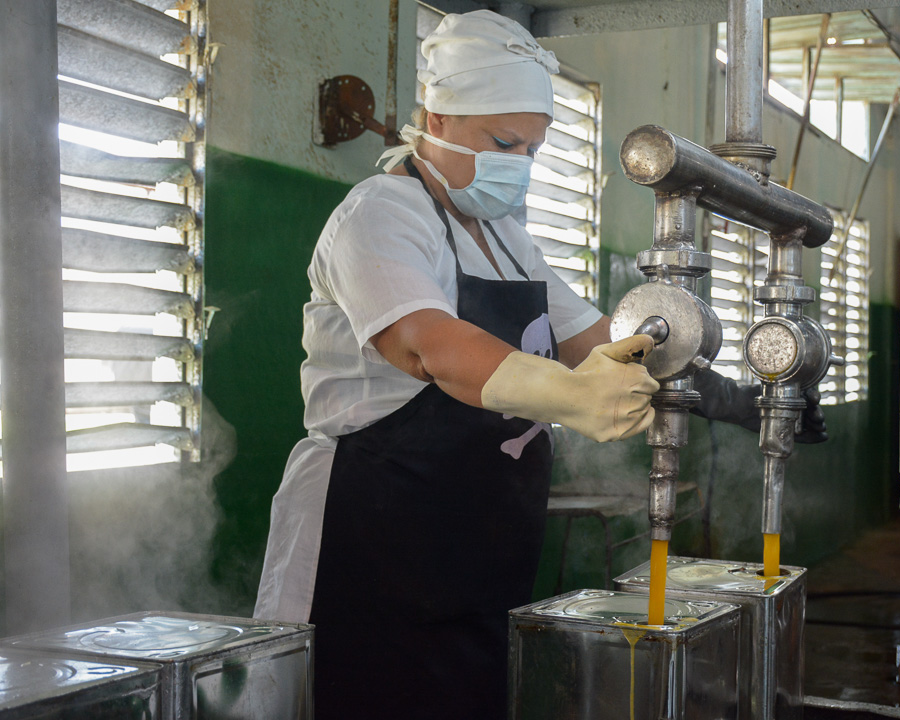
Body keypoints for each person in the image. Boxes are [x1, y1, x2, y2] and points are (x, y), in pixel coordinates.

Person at [254, 10, 825, 719]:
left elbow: (601, 341)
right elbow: (429, 346)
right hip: (371, 554)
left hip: (474, 564)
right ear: (436, 116)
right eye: (502, 142)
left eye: (532, 147)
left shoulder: (508, 240)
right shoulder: (380, 214)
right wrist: (568, 395)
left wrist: (742, 398)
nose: (517, 163)